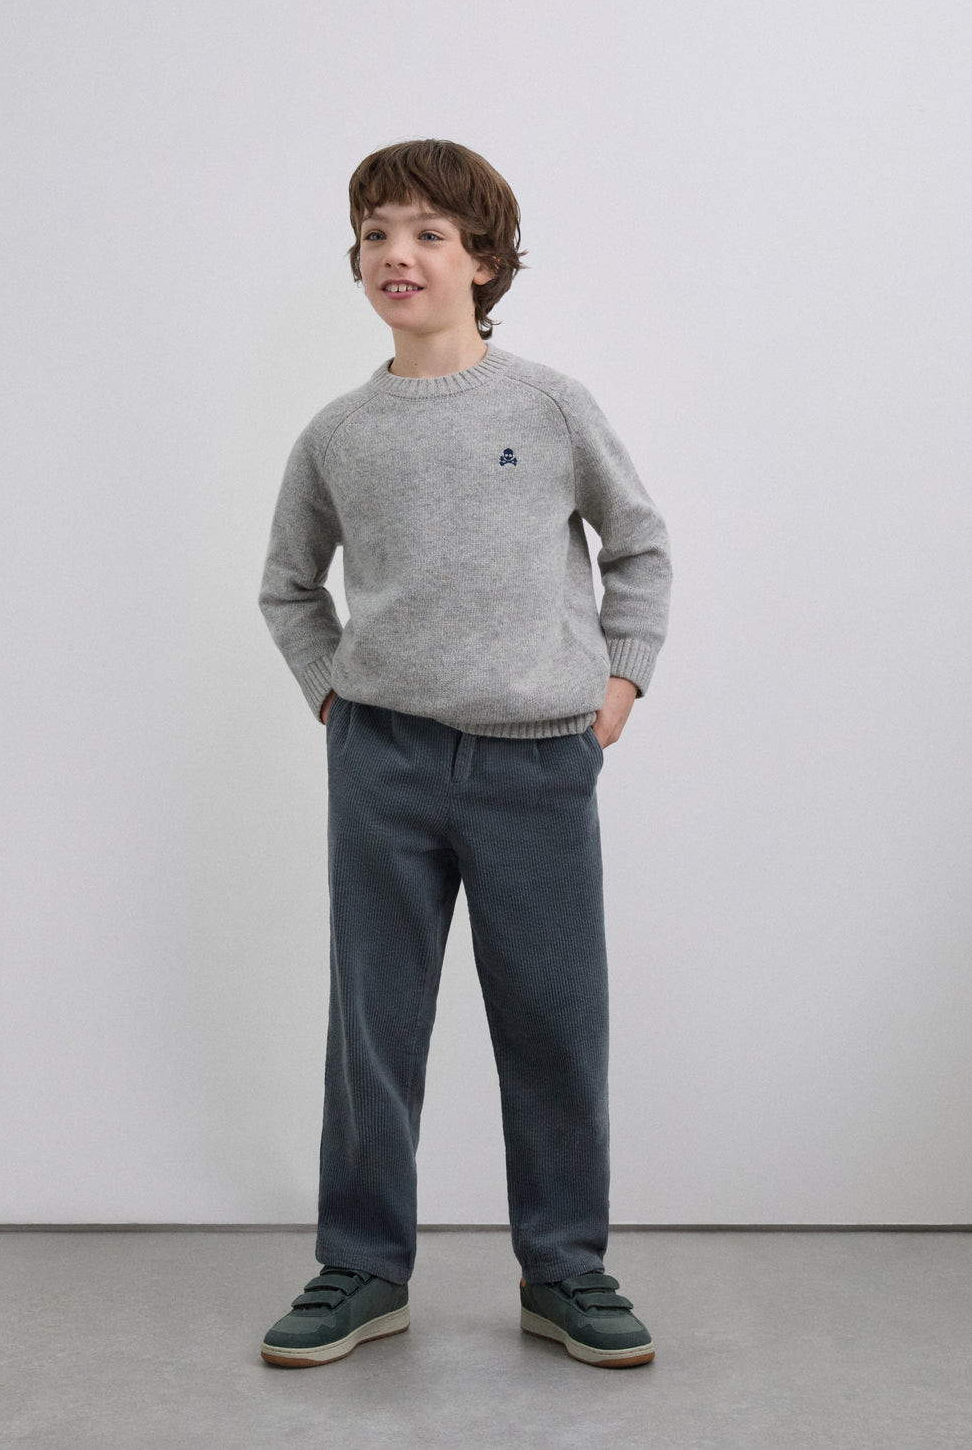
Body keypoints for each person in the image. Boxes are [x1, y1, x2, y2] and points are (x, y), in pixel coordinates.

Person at [256, 138, 672, 1369]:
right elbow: (288, 586)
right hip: (380, 764)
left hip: (537, 765)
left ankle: (566, 1268)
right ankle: (360, 1266)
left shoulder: (546, 407)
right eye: (377, 234)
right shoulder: (339, 433)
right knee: (373, 1023)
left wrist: (620, 679)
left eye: (429, 234)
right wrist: (333, 697)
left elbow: (639, 545)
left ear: (483, 261)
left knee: (554, 1021)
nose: (399, 254)